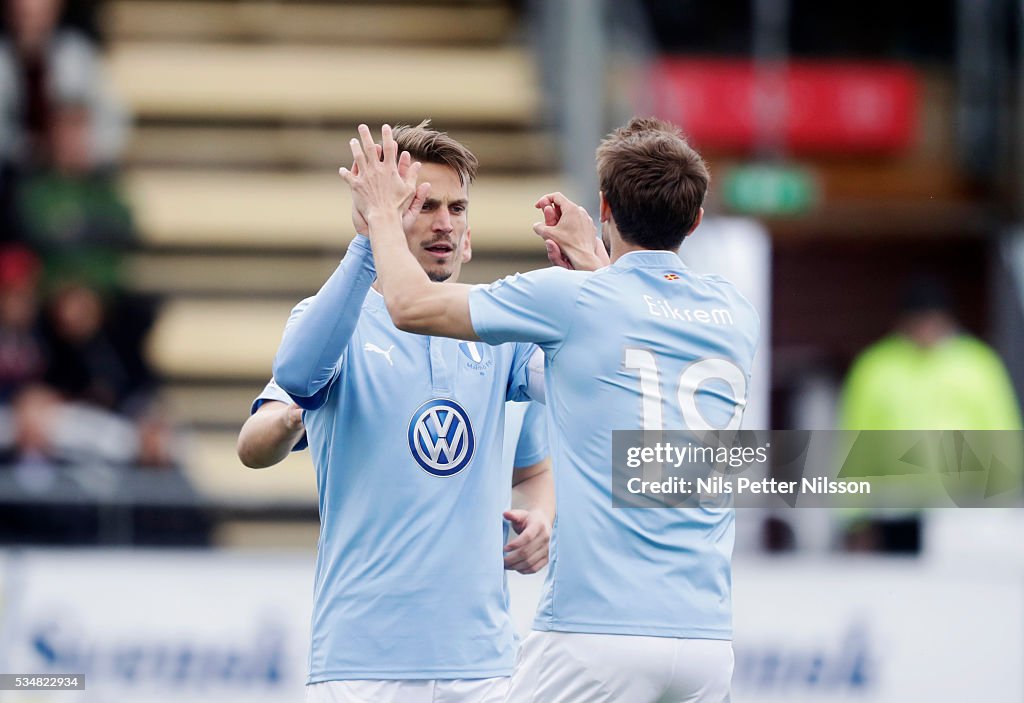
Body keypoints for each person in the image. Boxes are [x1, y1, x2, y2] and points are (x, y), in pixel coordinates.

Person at [342, 118, 759, 702]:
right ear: (695, 220)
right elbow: (640, 315)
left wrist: (384, 213)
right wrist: (597, 258)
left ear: (606, 206)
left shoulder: (571, 299)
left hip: (596, 634)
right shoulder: (736, 314)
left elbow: (409, 305)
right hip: (707, 643)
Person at [250, 122, 554, 703]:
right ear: (386, 215)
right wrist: (371, 240)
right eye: (423, 204)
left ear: (469, 233)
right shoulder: (334, 317)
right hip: (362, 661)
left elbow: (536, 469)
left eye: (457, 207)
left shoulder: (502, 331)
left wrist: (542, 518)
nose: (444, 220)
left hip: (482, 662)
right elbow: (283, 396)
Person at [838, 275, 1022, 552]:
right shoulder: (876, 366)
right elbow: (853, 444)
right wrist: (852, 516)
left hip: (965, 508)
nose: (925, 330)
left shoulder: (978, 363)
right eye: (918, 322)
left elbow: (1004, 433)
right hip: (896, 508)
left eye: (932, 321)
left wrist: (1008, 501)